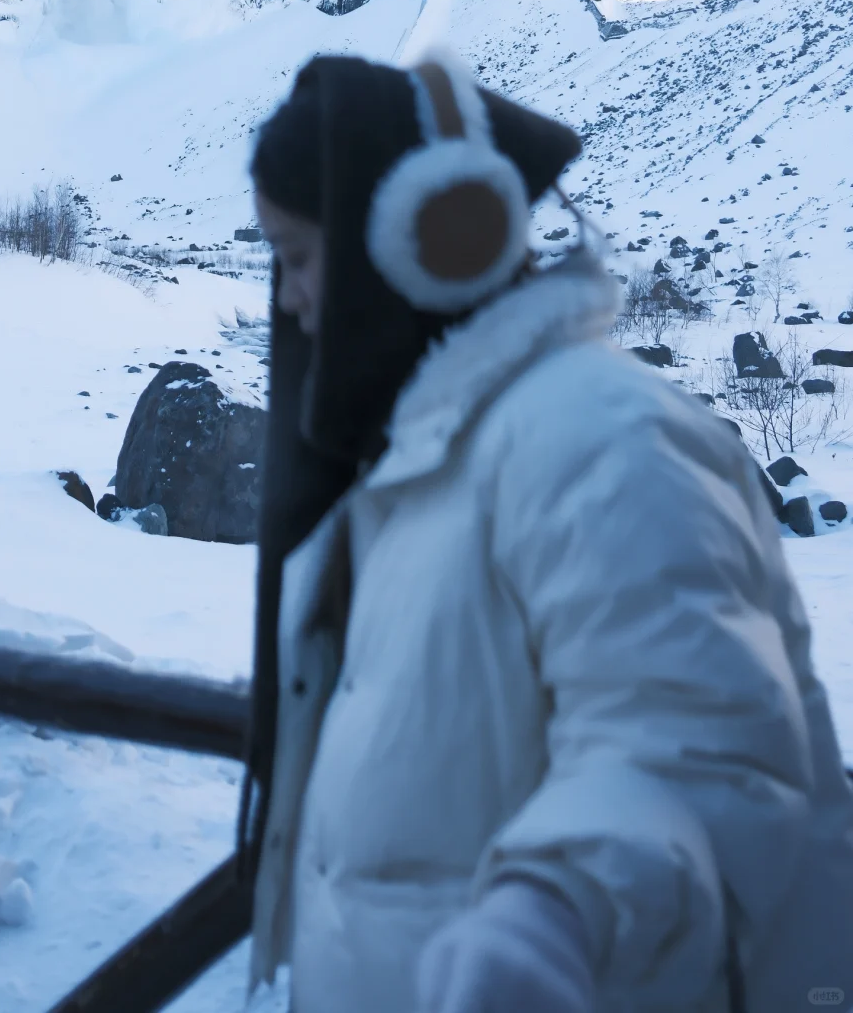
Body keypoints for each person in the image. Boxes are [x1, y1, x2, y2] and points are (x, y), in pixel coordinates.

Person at [239, 50, 853, 1013]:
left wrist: (551, 917)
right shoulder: (424, 460)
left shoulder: (599, 440)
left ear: (413, 247)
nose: (288, 299)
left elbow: (695, 749)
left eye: (301, 257)